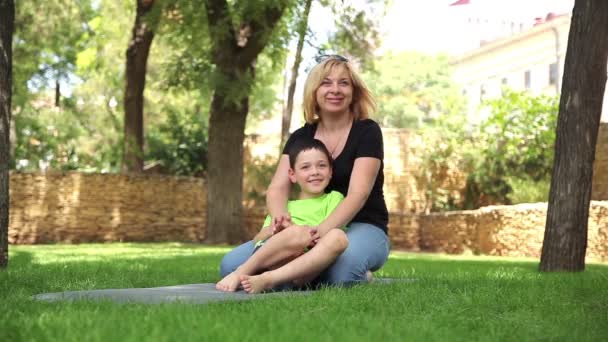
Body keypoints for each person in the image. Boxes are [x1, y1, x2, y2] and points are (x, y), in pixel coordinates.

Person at [219, 54, 390, 287]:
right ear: (314, 90)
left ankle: (297, 272)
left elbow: (357, 194)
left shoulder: (367, 131)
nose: (335, 89)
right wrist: (283, 224)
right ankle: (304, 271)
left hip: (362, 225)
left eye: (344, 83)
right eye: (326, 82)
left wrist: (318, 234)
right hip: (305, 226)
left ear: (354, 91)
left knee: (344, 275)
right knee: (229, 266)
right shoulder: (301, 136)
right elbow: (278, 187)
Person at [216, 138, 347, 293]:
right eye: (305, 167)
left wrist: (301, 232)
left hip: (307, 265)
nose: (315, 172)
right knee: (298, 233)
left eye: (322, 166)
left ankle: (269, 280)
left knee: (338, 237)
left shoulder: (334, 198)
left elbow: (329, 230)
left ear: (331, 171)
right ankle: (241, 272)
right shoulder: (284, 207)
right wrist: (277, 230)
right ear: (292, 175)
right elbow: (258, 238)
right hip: (275, 258)